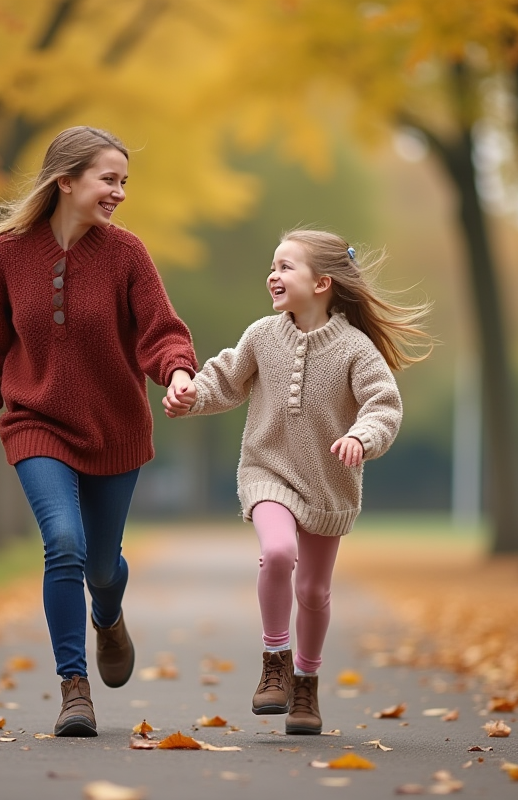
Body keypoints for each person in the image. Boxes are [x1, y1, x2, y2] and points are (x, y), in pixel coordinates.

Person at [0, 126, 197, 738]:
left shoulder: (127, 254)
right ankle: (74, 688)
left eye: (123, 182)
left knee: (102, 567)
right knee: (64, 542)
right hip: (36, 421)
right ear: (66, 181)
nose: (119, 192)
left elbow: (160, 329)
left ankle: (108, 615)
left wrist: (178, 372)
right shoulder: (10, 254)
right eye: (108, 180)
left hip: (115, 427)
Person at [163, 229, 431, 735]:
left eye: (286, 266)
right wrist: (190, 394)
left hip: (328, 484)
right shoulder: (263, 334)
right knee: (279, 553)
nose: (274, 274)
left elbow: (384, 405)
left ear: (322, 282)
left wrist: (362, 436)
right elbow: (225, 377)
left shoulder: (356, 348)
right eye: (273, 265)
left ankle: (305, 684)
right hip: (266, 469)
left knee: (314, 589)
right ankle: (274, 660)